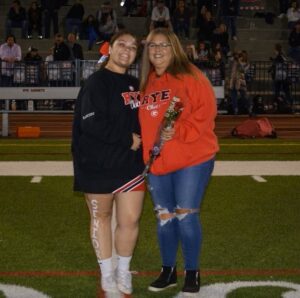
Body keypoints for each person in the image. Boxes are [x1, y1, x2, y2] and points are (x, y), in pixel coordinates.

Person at [139, 28, 219, 296]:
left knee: (185, 216)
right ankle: (168, 270)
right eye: (152, 46)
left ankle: (193, 271)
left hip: (192, 159)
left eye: (163, 45)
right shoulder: (148, 80)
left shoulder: (192, 77)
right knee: (165, 217)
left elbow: (206, 114)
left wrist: (179, 131)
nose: (157, 50)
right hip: (158, 161)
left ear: (174, 48)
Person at [72, 30, 145, 296]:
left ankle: (123, 271)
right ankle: (106, 273)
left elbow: (145, 120)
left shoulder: (136, 84)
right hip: (96, 164)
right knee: (101, 217)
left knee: (130, 219)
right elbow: (90, 122)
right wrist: (127, 139)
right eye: (122, 44)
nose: (127, 49)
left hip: (129, 165)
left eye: (133, 46)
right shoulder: (95, 82)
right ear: (110, 49)